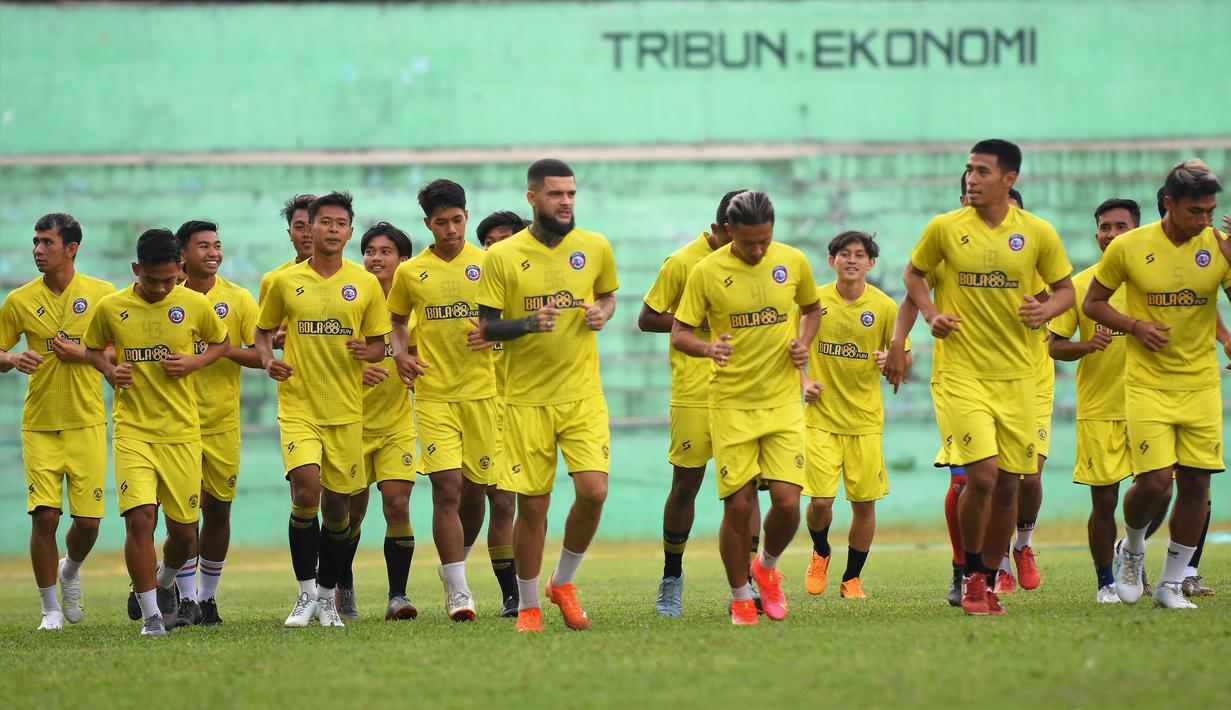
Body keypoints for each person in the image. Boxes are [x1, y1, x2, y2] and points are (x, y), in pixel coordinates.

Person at [903, 139, 1074, 615]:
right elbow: (913, 276)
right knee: (981, 476)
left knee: (1011, 484)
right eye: (968, 170)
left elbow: (1065, 290)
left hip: (1019, 376)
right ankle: (971, 574)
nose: (972, 179)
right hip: (963, 372)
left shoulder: (1037, 233)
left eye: (981, 171)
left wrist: (1046, 308)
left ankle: (989, 573)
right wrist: (932, 314)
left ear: (1009, 179)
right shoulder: (943, 227)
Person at [476, 159, 619, 632]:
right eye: (556, 194)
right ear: (533, 198)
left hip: (581, 396)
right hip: (524, 400)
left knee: (594, 492)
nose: (566, 202)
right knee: (532, 505)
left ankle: (564, 581)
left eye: (572, 194)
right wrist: (529, 323)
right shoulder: (501, 257)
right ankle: (530, 604)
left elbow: (608, 297)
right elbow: (488, 325)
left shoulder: (595, 247)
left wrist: (601, 311)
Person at [1084, 160, 1230, 609]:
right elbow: (1093, 303)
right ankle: (1131, 548)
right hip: (1147, 384)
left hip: (1201, 383)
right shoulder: (1128, 247)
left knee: (1196, 485)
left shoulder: (1219, 248)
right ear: (1168, 204)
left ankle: (1169, 584)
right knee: (1153, 486)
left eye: (1210, 211)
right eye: (1195, 211)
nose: (1204, 220)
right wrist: (1133, 325)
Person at [672, 190, 821, 625]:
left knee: (788, 503)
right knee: (737, 506)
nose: (758, 251)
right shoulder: (707, 272)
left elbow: (812, 309)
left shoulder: (792, 261)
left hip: (780, 402)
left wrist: (803, 344)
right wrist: (707, 347)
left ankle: (766, 568)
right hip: (731, 403)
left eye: (765, 241)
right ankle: (740, 595)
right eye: (749, 242)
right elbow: (679, 331)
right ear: (729, 231)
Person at [84, 228, 229, 637]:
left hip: (183, 432)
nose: (164, 287)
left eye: (171, 279)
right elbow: (94, 348)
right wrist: (111, 371)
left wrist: (195, 363)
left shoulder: (195, 304)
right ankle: (151, 616)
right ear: (136, 270)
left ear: (181, 270)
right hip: (133, 431)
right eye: (154, 280)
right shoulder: (112, 308)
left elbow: (221, 342)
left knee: (184, 534)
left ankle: (164, 582)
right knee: (140, 520)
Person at [255, 191, 390, 627]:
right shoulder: (282, 282)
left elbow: (377, 344)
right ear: (308, 228)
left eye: (340, 223)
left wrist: (366, 352)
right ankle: (305, 594)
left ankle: (329, 595)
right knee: (306, 491)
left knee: (339, 511)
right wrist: (267, 360)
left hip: (348, 412)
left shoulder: (365, 283)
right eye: (324, 222)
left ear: (350, 231)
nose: (332, 229)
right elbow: (261, 332)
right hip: (299, 406)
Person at [639, 189, 766, 617]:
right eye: (735, 238)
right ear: (718, 230)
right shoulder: (681, 263)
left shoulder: (759, 262)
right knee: (686, 484)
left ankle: (749, 580)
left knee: (747, 489)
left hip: (745, 388)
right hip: (694, 391)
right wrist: (699, 322)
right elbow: (646, 317)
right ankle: (671, 576)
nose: (746, 248)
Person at [388, 179, 500, 621]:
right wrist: (400, 355)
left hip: (484, 393)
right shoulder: (411, 272)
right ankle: (458, 590)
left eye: (457, 220)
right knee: (446, 488)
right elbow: (396, 320)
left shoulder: (490, 264)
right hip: (434, 395)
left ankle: (454, 562)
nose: (450, 229)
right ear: (427, 224)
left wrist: (494, 332)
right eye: (441, 222)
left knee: (475, 493)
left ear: (466, 218)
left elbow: (510, 317)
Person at [1049, 199, 1171, 602]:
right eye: (1105, 226)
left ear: (1137, 231)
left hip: (1149, 404)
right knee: (1104, 501)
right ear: (1096, 233)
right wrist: (1087, 345)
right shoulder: (1082, 284)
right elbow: (1055, 347)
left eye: (1121, 226)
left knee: (1162, 490)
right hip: (1100, 409)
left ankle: (1129, 547)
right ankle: (1105, 582)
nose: (1112, 234)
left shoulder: (1155, 281)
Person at [0, 213, 115, 631]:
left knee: (87, 523)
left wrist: (84, 354)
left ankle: (70, 571)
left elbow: (121, 351)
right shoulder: (19, 300)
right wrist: (12, 358)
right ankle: (50, 608)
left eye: (47, 242)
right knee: (44, 517)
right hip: (40, 424)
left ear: (71, 248)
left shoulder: (103, 296)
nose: (37, 250)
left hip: (87, 423)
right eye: (35, 242)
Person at [802, 231, 907, 600]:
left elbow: (904, 361)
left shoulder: (883, 307)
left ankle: (851, 580)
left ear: (871, 263)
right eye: (843, 253)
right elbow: (792, 350)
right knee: (820, 503)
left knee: (864, 505)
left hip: (864, 421)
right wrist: (803, 382)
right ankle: (820, 550)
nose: (851, 260)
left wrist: (891, 360)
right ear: (831, 260)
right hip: (820, 419)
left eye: (859, 255)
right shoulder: (813, 301)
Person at [174, 221, 262, 626]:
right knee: (181, 514)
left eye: (217, 245)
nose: (213, 252)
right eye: (203, 245)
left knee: (218, 510)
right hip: (175, 422)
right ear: (183, 254)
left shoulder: (238, 298)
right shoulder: (166, 298)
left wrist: (220, 352)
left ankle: (208, 599)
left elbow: (261, 354)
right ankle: (185, 596)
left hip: (223, 421)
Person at [342, 221, 420, 621]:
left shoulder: (414, 312)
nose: (375, 258)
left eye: (385, 251)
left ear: (404, 261)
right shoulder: (350, 303)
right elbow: (324, 360)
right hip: (350, 423)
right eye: (370, 250)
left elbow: (425, 359)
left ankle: (398, 596)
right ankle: (343, 584)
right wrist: (357, 373)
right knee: (350, 514)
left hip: (395, 426)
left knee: (397, 504)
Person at [474, 209, 533, 616]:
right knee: (479, 499)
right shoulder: (479, 284)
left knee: (512, 502)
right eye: (490, 242)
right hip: (476, 404)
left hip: (520, 406)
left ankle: (514, 594)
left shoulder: (533, 288)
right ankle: (457, 577)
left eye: (505, 239)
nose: (496, 248)